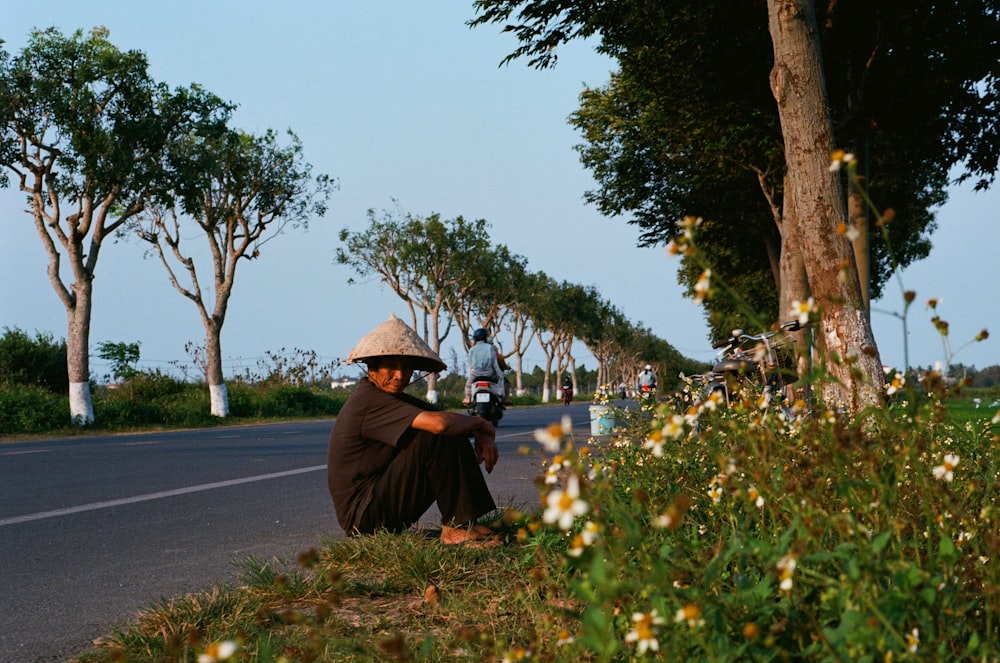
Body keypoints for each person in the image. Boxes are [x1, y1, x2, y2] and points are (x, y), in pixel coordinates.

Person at [327, 314, 499, 546]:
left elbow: (448, 419)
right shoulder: (367, 401)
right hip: (364, 516)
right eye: (391, 367)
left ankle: (466, 522)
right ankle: (455, 528)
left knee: (448, 426)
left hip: (377, 504)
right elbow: (440, 425)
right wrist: (482, 425)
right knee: (438, 432)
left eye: (406, 368)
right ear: (372, 369)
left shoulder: (392, 399)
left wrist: (479, 429)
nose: (399, 376)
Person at [463, 328, 507, 403]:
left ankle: (467, 398)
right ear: (486, 338)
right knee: (501, 378)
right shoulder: (490, 348)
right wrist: (500, 373)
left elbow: (471, 365)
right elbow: (495, 364)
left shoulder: (472, 349)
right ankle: (500, 394)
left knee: (468, 384)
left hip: (476, 374)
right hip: (489, 373)